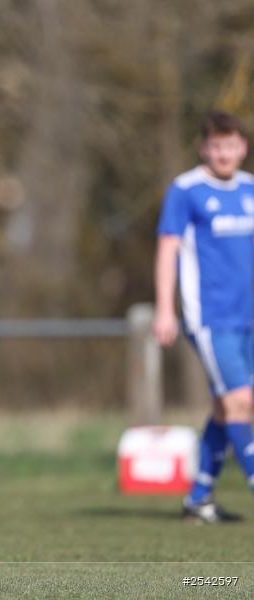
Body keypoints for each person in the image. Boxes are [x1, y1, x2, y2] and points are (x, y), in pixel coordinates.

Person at [154, 110, 254, 523]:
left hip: (248, 317)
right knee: (242, 401)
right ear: (204, 148)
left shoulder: (250, 189)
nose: (224, 153)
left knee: (224, 408)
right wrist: (165, 308)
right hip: (210, 319)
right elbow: (168, 249)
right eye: (216, 146)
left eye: (231, 146)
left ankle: (198, 499)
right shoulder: (186, 189)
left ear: (242, 148)